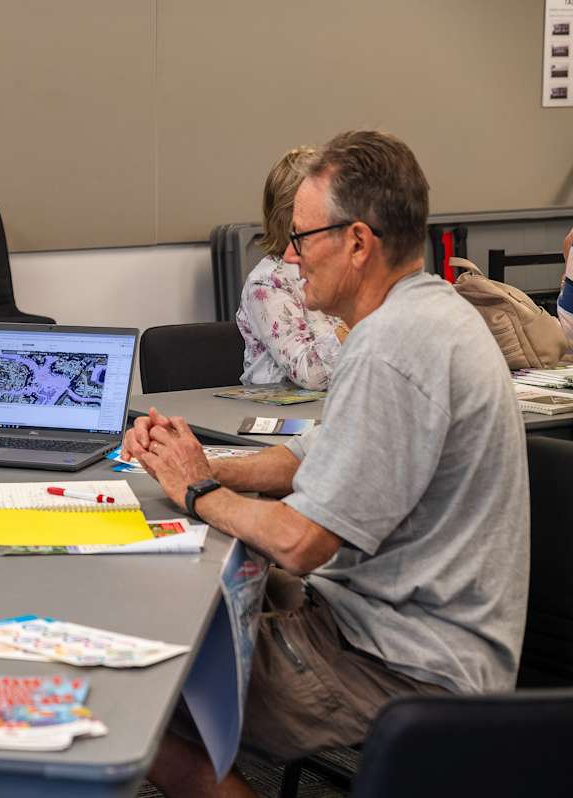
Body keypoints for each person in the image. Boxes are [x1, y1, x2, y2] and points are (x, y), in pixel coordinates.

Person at [125, 131, 528, 797]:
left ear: (358, 242)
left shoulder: (393, 347)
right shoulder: (425, 312)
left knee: (146, 701)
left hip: (407, 666)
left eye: (302, 237)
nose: (289, 254)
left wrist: (196, 490)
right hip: (398, 628)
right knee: (188, 630)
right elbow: (315, 455)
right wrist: (203, 464)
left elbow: (303, 541)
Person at [235, 146, 347, 390]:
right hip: (279, 418)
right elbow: (312, 374)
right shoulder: (267, 282)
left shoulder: (337, 266)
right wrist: (362, 316)